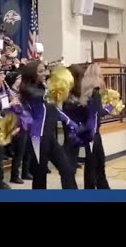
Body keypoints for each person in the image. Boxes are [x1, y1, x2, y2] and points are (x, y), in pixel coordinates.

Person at [19, 60, 78, 189]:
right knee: (40, 177)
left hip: (49, 137)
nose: (45, 73)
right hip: (37, 138)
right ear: (32, 74)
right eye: (40, 71)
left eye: (45, 70)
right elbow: (45, 97)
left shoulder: (43, 88)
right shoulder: (28, 90)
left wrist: (69, 121)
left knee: (67, 169)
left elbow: (53, 109)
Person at [77, 63, 112, 189]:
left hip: (88, 132)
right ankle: (101, 186)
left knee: (91, 162)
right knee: (98, 162)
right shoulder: (95, 93)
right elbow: (98, 113)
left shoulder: (86, 93)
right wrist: (110, 107)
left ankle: (91, 187)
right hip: (93, 132)